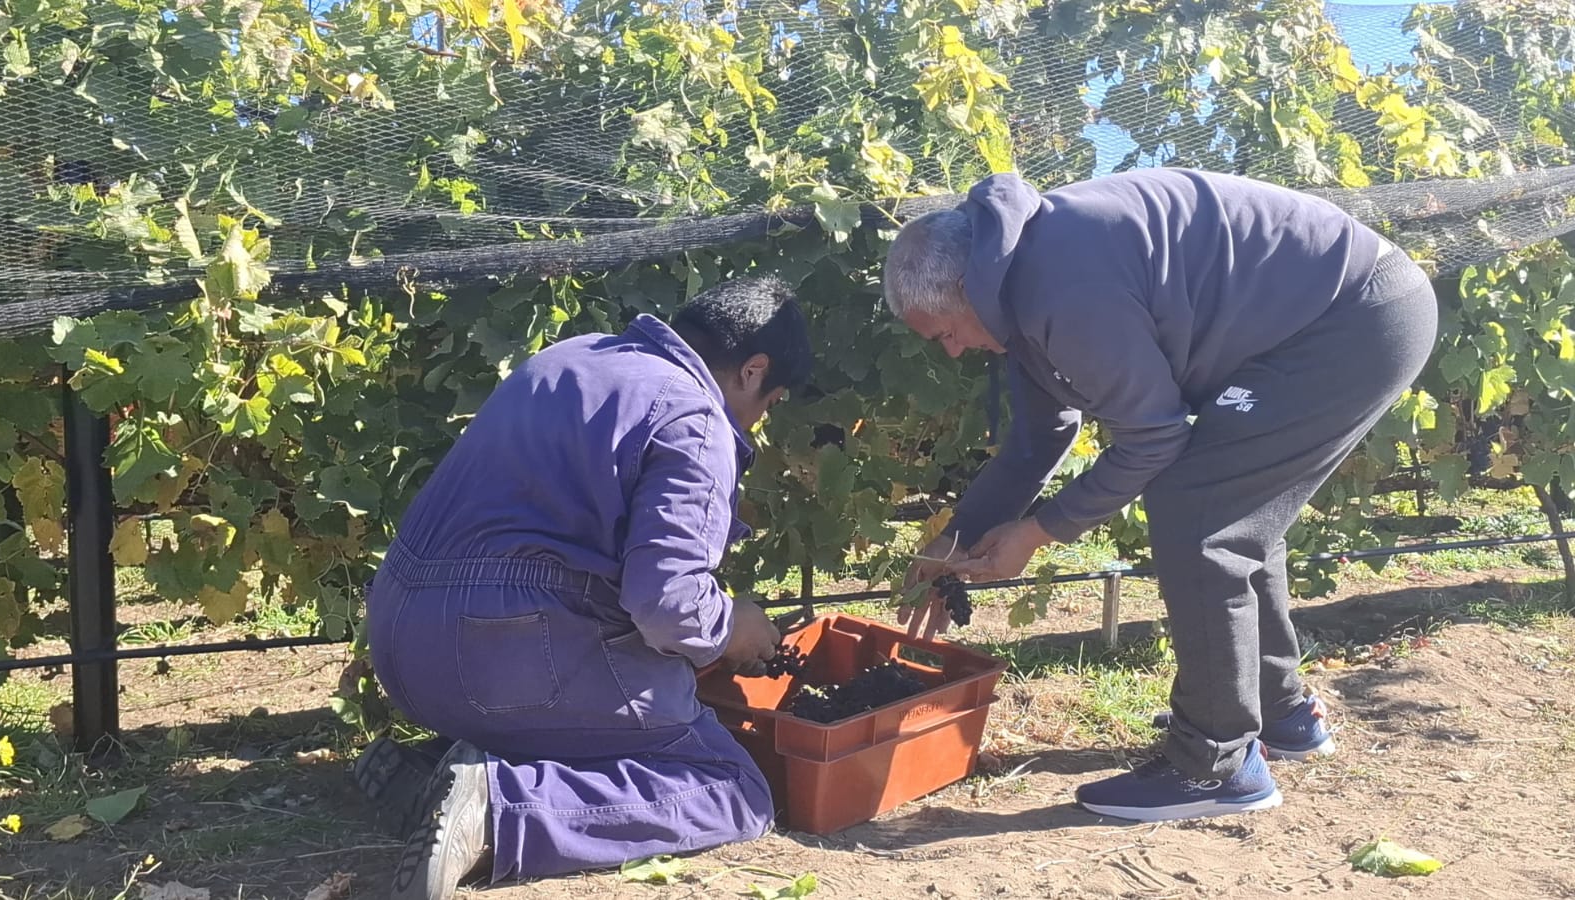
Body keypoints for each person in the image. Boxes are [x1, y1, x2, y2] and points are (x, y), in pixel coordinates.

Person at [885, 168, 1437, 823]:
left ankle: (1215, 766)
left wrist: (1037, 532)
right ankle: (1279, 712)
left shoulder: (1062, 284)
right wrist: (956, 540)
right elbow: (1039, 439)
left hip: (1351, 318)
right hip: (1333, 317)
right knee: (1231, 513)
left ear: (961, 288)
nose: (952, 352)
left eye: (944, 332)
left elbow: (1152, 439)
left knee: (1198, 512)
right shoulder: (1013, 280)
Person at [357, 276, 813, 898]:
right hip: (495, 659)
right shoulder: (694, 416)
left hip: (400, 642)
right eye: (771, 401)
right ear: (752, 370)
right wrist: (733, 625)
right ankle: (497, 811)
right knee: (730, 787)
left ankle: (434, 777)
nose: (760, 419)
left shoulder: (572, 355)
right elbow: (666, 603)